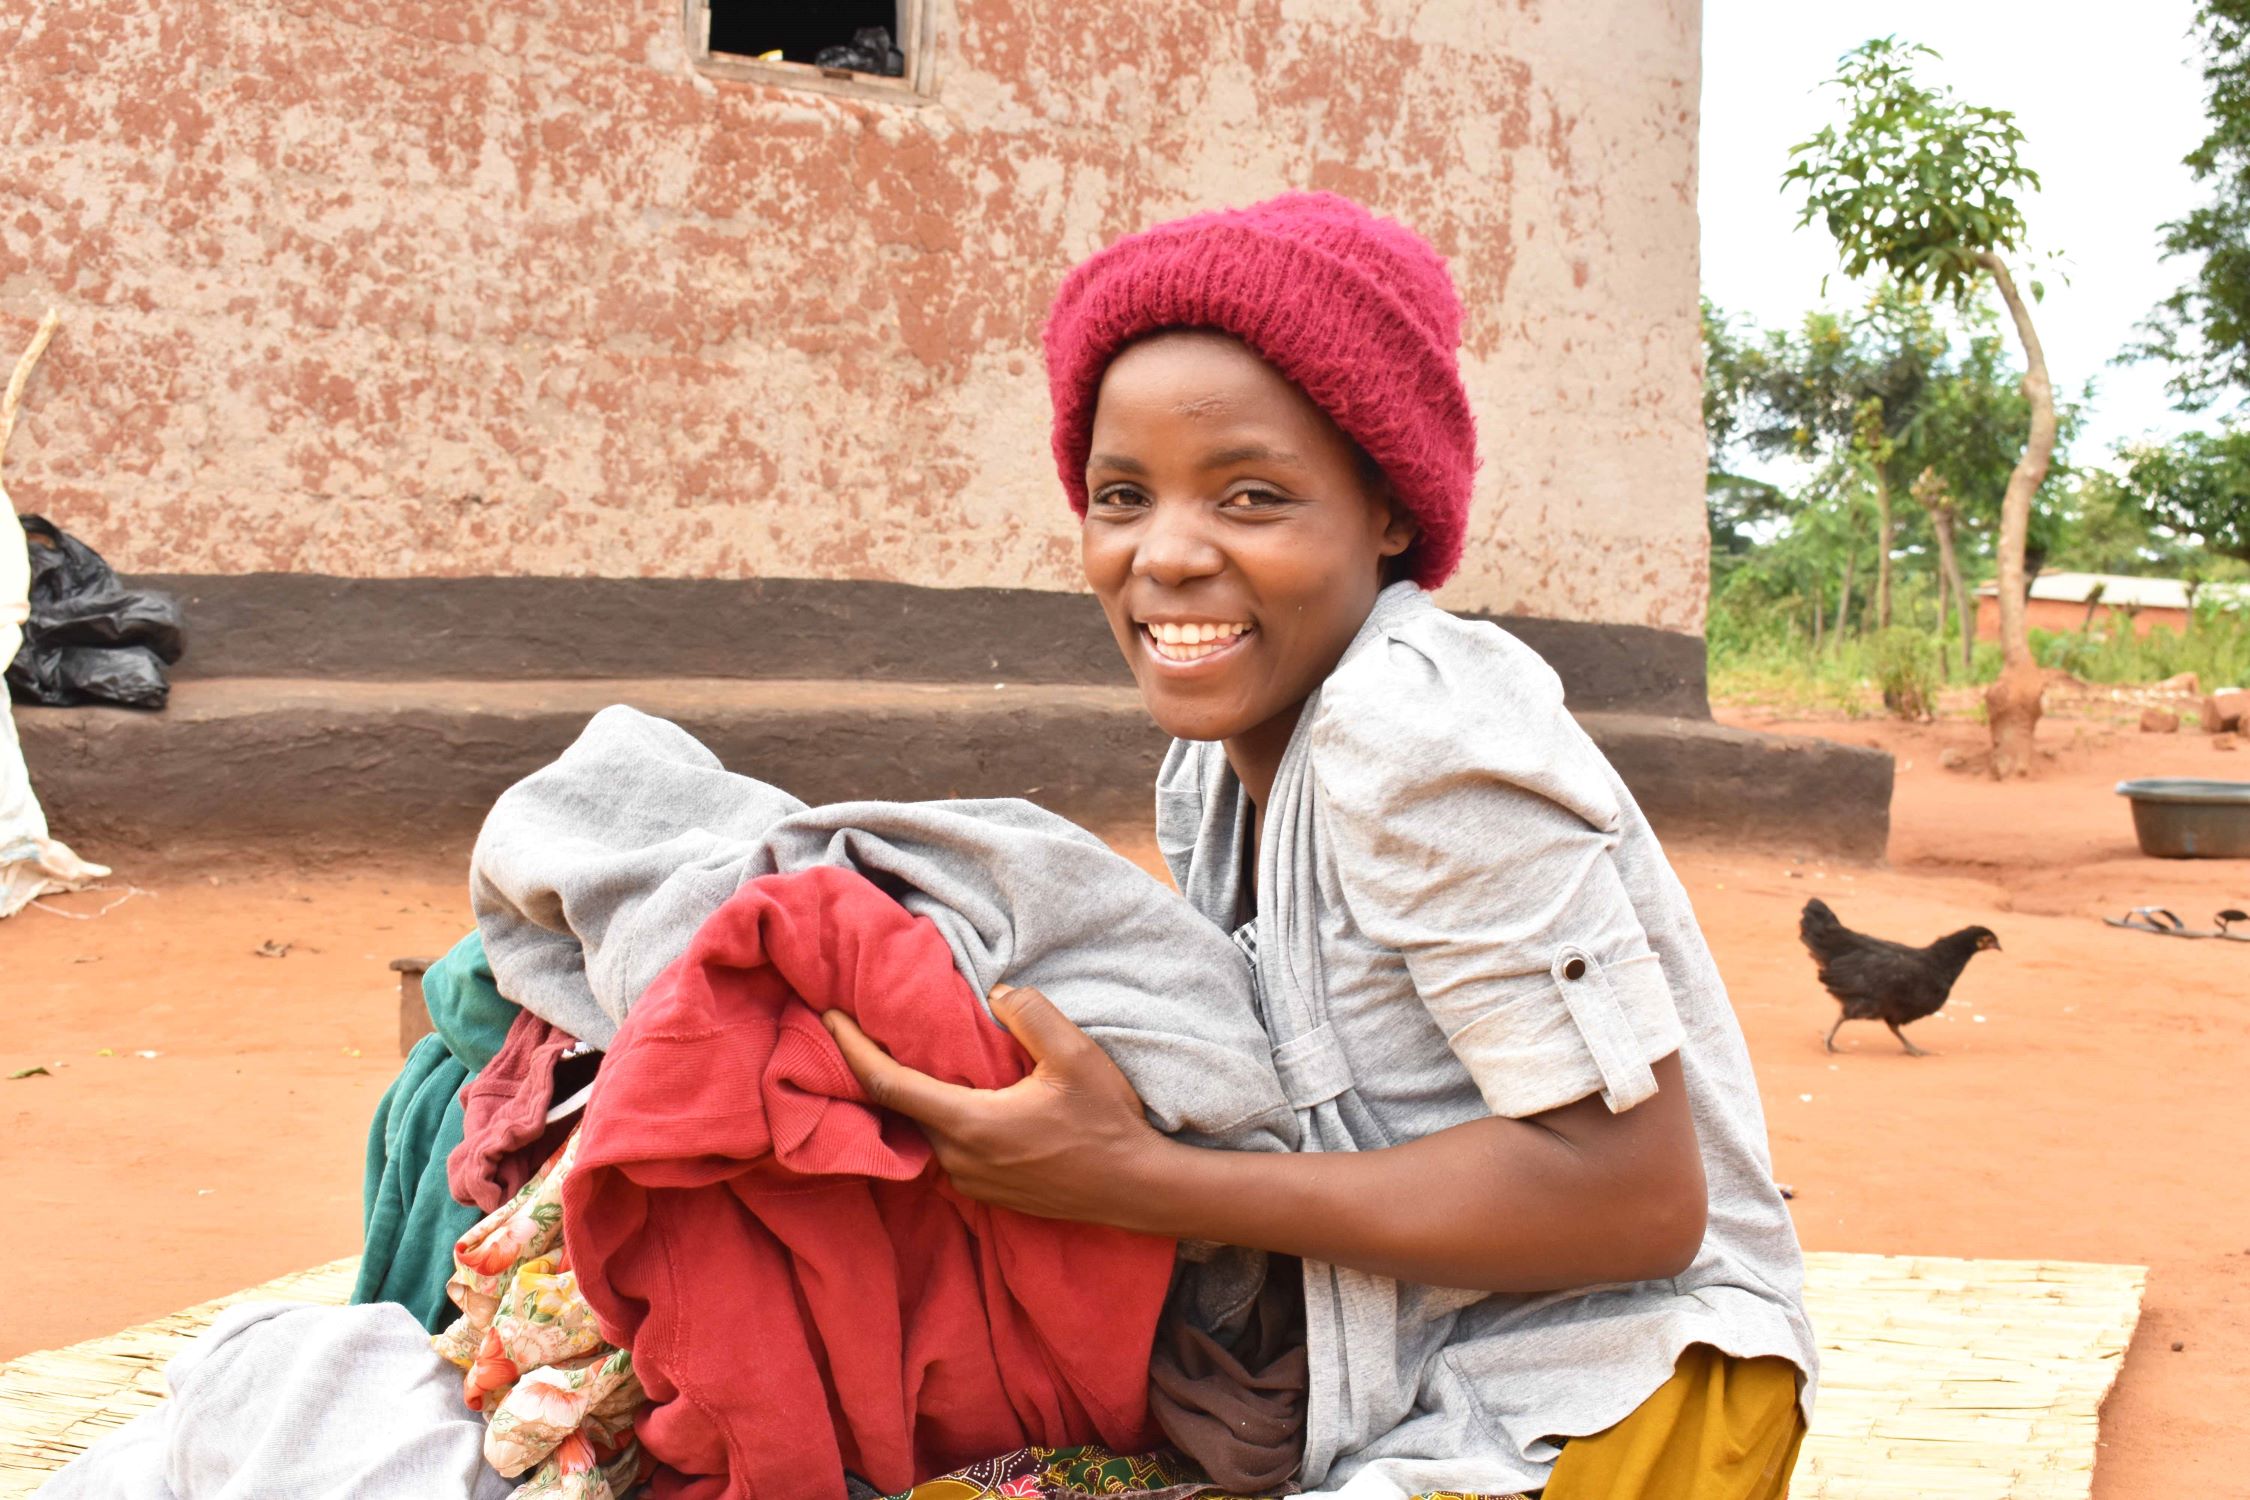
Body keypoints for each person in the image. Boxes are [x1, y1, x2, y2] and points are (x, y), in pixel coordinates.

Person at [823, 193, 1814, 1499]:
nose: (1166, 554)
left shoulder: (1413, 730)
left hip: (1618, 1403)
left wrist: (1137, 1181)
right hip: (1422, 1377)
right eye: (1121, 496)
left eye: (1251, 495)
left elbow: (1632, 1201)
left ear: (1387, 512)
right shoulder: (1213, 769)